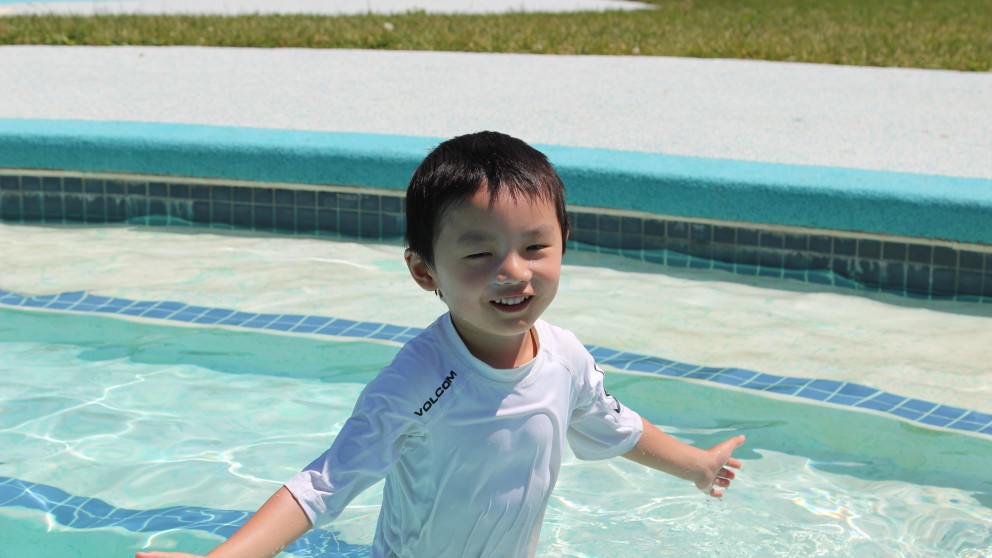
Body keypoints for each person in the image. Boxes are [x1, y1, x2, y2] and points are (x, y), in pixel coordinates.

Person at [136, 131, 745, 558]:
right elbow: (325, 483)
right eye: (480, 254)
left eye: (536, 247)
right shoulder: (418, 381)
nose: (515, 272)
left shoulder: (565, 357)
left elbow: (615, 424)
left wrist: (697, 464)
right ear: (425, 272)